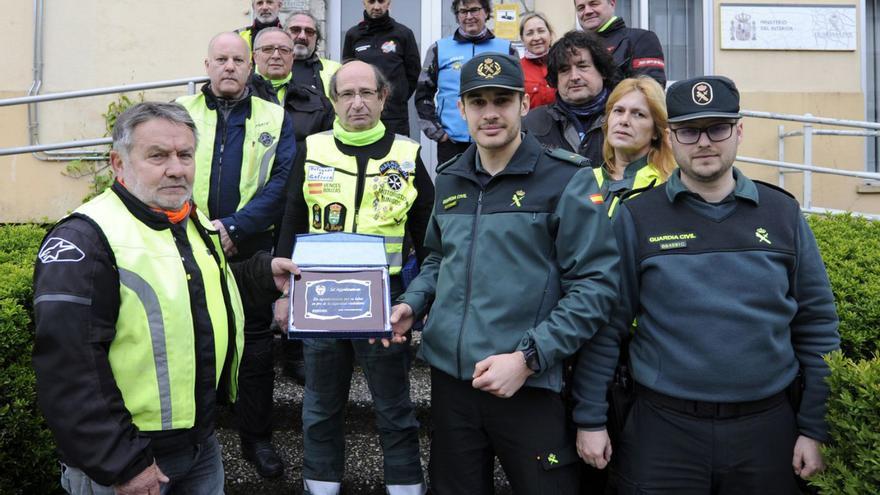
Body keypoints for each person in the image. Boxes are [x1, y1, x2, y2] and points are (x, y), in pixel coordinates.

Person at [572, 75, 840, 494]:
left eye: (717, 128)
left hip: (768, 431)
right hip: (663, 431)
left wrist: (814, 426)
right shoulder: (637, 217)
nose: (704, 142)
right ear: (671, 137)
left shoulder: (782, 214)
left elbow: (818, 326)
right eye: (689, 130)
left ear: (739, 130)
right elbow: (609, 325)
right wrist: (590, 419)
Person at [32, 102, 299, 495]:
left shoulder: (190, 219)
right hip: (130, 460)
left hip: (200, 443)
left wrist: (261, 274)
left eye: (185, 154)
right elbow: (68, 370)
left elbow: (198, 288)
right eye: (158, 156)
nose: (177, 168)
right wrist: (122, 463)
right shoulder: (86, 240)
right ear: (118, 164)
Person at [387, 52, 620, 495]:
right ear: (461, 110)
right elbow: (437, 258)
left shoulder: (567, 179)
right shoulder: (451, 177)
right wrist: (411, 303)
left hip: (528, 385)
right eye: (478, 102)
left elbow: (595, 287)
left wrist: (528, 359)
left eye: (502, 100)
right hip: (453, 384)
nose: (490, 113)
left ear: (524, 105)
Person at [275, 60, 433, 495]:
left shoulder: (408, 154)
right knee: (320, 405)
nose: (357, 102)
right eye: (347, 94)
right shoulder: (312, 149)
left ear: (384, 98)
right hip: (317, 296)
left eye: (367, 93)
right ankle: (321, 485)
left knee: (394, 406)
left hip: (386, 299)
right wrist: (285, 292)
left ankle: (405, 485)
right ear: (334, 100)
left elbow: (428, 239)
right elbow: (290, 218)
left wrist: (420, 302)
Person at [176, 32, 296, 479]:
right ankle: (193, 436)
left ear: (251, 66)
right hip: (187, 241)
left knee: (257, 346)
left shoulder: (274, 116)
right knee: (191, 340)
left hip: (249, 248)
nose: (229, 66)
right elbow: (166, 173)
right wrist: (204, 229)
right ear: (206, 65)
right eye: (221, 59)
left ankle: (256, 439)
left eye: (237, 59)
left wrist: (235, 226)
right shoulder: (179, 112)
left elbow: (280, 183)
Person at [415, 0, 518, 165]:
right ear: (457, 16)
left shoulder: (506, 49)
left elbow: (517, 95)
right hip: (452, 144)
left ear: (486, 12)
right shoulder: (438, 49)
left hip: (495, 139)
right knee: (453, 191)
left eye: (474, 10)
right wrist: (438, 134)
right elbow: (423, 95)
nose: (469, 16)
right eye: (463, 11)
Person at [524, 30, 617, 168]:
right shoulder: (532, 123)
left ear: (602, 71)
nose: (574, 77)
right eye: (564, 70)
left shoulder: (624, 118)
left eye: (582, 66)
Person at [594, 76, 676, 217]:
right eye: (618, 110)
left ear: (656, 131)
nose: (624, 121)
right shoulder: (585, 181)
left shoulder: (667, 184)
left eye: (638, 114)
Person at [342, 0, 421, 135]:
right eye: (371, 1)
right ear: (364, 2)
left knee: (397, 155)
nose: (377, 6)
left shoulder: (403, 33)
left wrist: (397, 97)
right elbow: (347, 74)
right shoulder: (353, 35)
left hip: (395, 116)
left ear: (389, 2)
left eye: (381, 1)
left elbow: (414, 73)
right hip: (362, 113)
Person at [249, 28, 334, 149]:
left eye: (284, 50)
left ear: (292, 57)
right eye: (268, 49)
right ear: (255, 56)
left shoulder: (317, 102)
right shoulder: (237, 97)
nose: (276, 56)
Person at [574, 0, 666, 87]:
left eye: (594, 4)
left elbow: (650, 91)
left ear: (612, 3)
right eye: (581, 8)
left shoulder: (640, 39)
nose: (587, 11)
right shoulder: (573, 48)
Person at [286, 11, 341, 98]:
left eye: (309, 31)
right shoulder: (267, 68)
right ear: (284, 34)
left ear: (317, 39)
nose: (302, 36)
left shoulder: (336, 70)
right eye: (295, 30)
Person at [519, 12, 556, 109]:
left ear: (550, 34)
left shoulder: (564, 63)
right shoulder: (517, 69)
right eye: (529, 33)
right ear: (523, 39)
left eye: (541, 31)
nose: (536, 37)